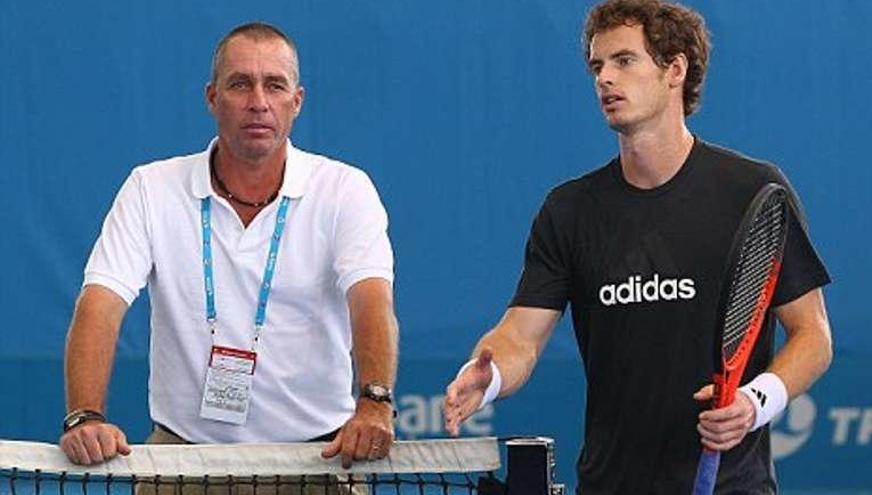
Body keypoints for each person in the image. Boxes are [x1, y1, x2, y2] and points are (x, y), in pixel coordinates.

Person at [443, 0, 832, 493]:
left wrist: (755, 402)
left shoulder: (752, 189)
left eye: (624, 61)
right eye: (597, 65)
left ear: (675, 69)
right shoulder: (569, 210)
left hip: (733, 485)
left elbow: (813, 335)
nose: (604, 78)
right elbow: (520, 336)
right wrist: (490, 375)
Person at [58, 21, 399, 485]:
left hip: (319, 458)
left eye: (274, 85)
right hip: (182, 461)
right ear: (212, 98)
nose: (258, 101)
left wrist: (375, 403)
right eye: (240, 84)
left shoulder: (344, 190)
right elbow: (100, 303)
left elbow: (371, 299)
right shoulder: (150, 188)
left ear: (296, 102)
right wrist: (84, 415)